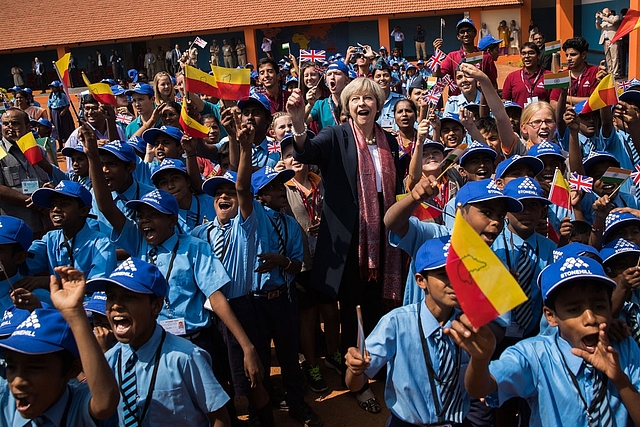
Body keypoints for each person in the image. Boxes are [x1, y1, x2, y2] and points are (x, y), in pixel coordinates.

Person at [287, 78, 406, 413]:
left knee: (375, 306)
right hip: (350, 244)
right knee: (352, 309)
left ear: (379, 105)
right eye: (355, 99)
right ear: (346, 105)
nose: (362, 103)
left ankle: (372, 364)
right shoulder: (336, 136)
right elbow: (307, 151)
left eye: (369, 98)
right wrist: (298, 122)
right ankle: (358, 379)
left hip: (384, 239)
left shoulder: (389, 141)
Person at [448, 255, 640, 426]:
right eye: (574, 310)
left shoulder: (625, 347)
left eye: (599, 306)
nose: (590, 319)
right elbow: (480, 388)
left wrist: (620, 380)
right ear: (551, 316)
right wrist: (480, 360)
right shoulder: (535, 354)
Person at [86, 258, 232, 426]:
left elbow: (219, 418)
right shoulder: (109, 360)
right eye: (111, 297)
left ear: (155, 306)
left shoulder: (186, 357)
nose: (116, 306)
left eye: (128, 297)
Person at [346, 236, 471, 425]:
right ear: (421, 281)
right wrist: (355, 369)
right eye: (444, 274)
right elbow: (354, 383)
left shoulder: (471, 326)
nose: (455, 280)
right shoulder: (396, 323)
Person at [0, 266, 120, 426]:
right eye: (12, 367)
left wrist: (74, 313)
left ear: (72, 369)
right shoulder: (7, 404)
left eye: (35, 368)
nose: (18, 381)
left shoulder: (78, 406)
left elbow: (105, 402)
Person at [27, 180, 116, 280]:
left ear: (83, 211)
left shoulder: (101, 243)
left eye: (64, 204)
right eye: (53, 204)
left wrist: (50, 283)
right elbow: (24, 263)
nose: (56, 209)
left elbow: (98, 285)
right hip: (57, 295)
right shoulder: (50, 238)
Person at [0, 108, 49, 235]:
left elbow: (51, 177)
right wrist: (31, 201)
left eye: (15, 123)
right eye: (5, 124)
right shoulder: (0, 152)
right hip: (14, 225)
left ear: (27, 127)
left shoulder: (39, 150)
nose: (10, 127)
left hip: (43, 221)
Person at [502, 42, 551, 108]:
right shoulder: (512, 77)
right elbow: (505, 101)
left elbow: (554, 101)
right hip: (520, 117)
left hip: (541, 117)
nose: (527, 56)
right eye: (523, 53)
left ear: (538, 55)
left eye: (531, 53)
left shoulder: (549, 76)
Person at [596, 8, 622, 79]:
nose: (604, 14)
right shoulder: (604, 21)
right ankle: (610, 71)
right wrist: (597, 20)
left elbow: (613, 22)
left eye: (605, 12)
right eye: (603, 13)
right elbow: (599, 27)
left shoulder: (615, 17)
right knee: (608, 58)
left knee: (615, 57)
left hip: (613, 40)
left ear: (610, 12)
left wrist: (603, 17)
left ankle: (616, 73)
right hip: (605, 40)